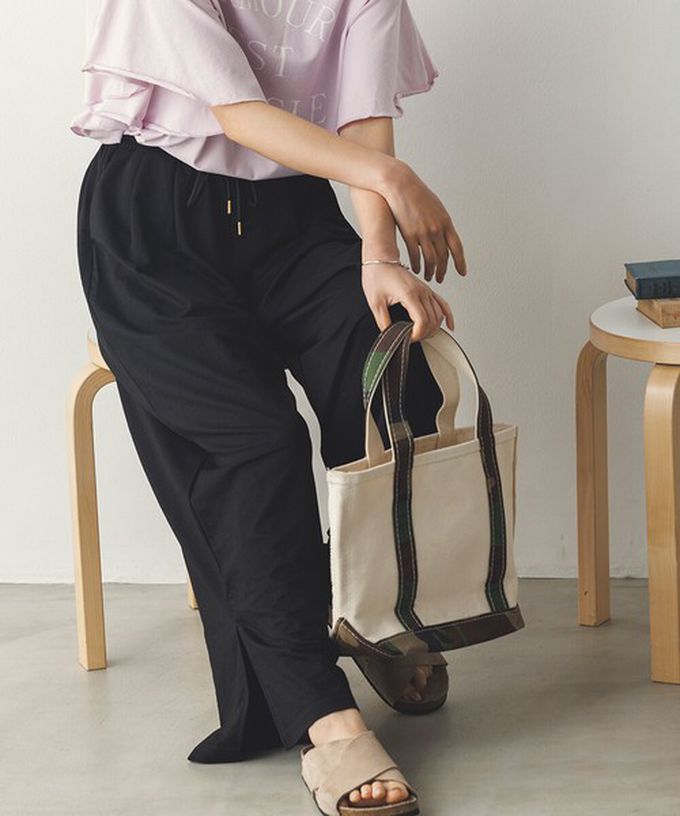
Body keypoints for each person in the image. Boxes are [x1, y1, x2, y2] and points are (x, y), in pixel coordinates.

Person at [70, 1, 467, 812]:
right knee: (255, 443)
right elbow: (238, 114)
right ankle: (324, 718)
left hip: (294, 220)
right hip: (155, 231)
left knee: (391, 379)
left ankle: (372, 615)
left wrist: (378, 253)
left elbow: (363, 115)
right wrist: (391, 179)